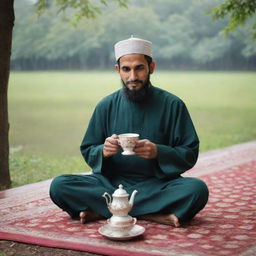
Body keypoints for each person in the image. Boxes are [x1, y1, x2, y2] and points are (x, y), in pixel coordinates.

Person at [50, 37, 209, 227]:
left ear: (152, 67)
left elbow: (189, 151)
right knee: (59, 185)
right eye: (126, 69)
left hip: (156, 185)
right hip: (110, 185)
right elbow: (88, 147)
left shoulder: (172, 104)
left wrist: (158, 151)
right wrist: (103, 150)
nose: (133, 76)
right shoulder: (106, 105)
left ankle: (107, 211)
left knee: (197, 189)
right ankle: (154, 214)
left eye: (139, 68)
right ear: (118, 70)